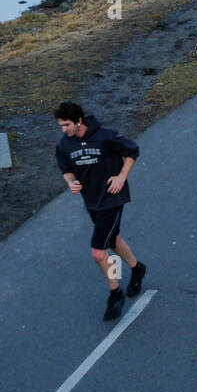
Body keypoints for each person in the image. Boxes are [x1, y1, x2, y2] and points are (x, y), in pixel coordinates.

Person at [54, 102, 147, 320]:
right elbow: (66, 168)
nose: (64, 129)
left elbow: (133, 150)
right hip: (92, 200)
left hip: (112, 198)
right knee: (113, 240)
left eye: (67, 125)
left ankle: (115, 293)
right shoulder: (64, 144)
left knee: (98, 251)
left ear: (79, 121)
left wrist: (122, 177)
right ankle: (137, 268)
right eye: (61, 125)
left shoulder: (105, 136)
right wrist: (71, 183)